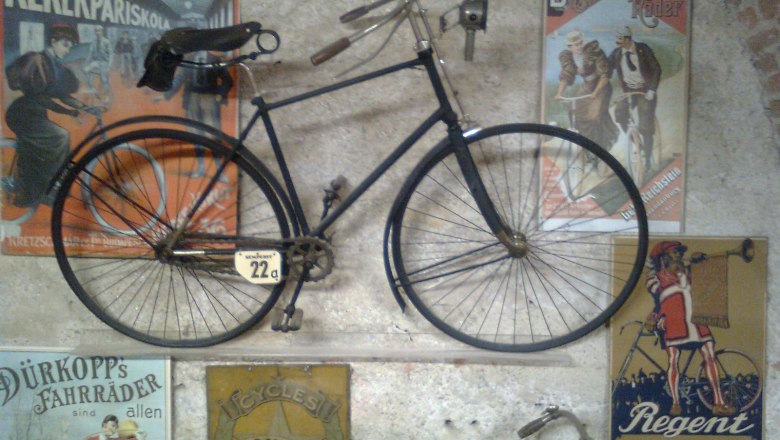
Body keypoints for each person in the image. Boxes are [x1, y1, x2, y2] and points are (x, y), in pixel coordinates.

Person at [645, 241, 735, 416]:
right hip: (673, 323)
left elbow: (707, 283)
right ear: (664, 257)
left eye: (680, 252)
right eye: (674, 252)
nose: (678, 254)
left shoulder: (689, 272)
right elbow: (657, 293)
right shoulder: (655, 278)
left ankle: (718, 403)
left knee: (710, 355)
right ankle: (676, 404)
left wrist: (700, 262)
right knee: (673, 361)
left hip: (697, 322)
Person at [4, 22, 86, 207]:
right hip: (23, 113)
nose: (67, 50)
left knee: (59, 139)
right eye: (65, 45)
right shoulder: (38, 61)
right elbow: (45, 99)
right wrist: (70, 111)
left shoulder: (57, 67)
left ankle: (51, 183)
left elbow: (62, 96)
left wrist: (84, 107)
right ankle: (44, 187)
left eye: (70, 47)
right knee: (61, 136)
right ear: (54, 41)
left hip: (36, 114)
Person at [162, 50, 233, 178]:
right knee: (195, 134)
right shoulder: (189, 59)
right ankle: (200, 168)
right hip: (193, 99)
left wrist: (220, 94)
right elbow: (179, 78)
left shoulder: (214, 59)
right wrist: (165, 94)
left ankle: (219, 169)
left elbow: (228, 80)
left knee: (214, 134)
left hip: (209, 99)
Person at [554, 30, 617, 150]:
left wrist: (596, 92)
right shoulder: (568, 57)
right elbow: (566, 75)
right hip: (587, 86)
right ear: (570, 46)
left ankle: (601, 145)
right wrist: (559, 93)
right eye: (575, 45)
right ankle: (586, 144)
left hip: (601, 86)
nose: (579, 47)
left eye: (580, 43)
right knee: (577, 113)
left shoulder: (594, 53)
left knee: (594, 116)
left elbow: (605, 75)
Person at [609, 26, 661, 171]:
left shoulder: (643, 50)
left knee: (645, 123)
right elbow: (606, 70)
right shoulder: (617, 54)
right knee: (619, 113)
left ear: (627, 39)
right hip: (628, 91)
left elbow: (656, 69)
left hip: (645, 90)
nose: (617, 41)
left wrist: (651, 89)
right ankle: (636, 141)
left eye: (619, 39)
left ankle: (648, 159)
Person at [84, 25, 114, 103]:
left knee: (104, 79)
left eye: (99, 31)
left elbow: (111, 54)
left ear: (102, 31)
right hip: (96, 62)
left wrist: (109, 66)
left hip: (104, 62)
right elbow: (90, 54)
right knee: (86, 70)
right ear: (95, 32)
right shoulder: (93, 42)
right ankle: (94, 90)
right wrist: (86, 64)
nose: (98, 32)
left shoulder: (106, 41)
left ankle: (107, 96)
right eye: (96, 31)